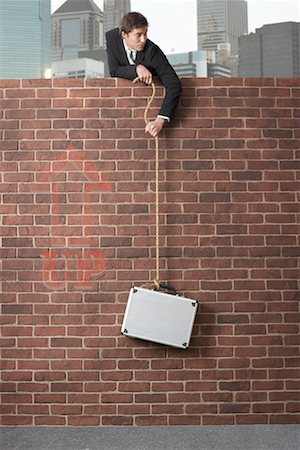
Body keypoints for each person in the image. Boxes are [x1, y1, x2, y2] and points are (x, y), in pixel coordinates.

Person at [106, 12, 182, 138]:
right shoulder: (112, 38)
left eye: (145, 33)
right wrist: (137, 69)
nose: (143, 39)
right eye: (138, 35)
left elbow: (174, 85)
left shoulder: (153, 52)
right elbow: (114, 70)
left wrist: (159, 121)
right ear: (124, 35)